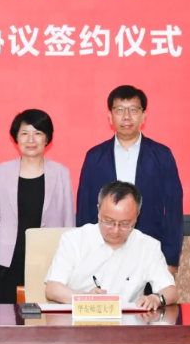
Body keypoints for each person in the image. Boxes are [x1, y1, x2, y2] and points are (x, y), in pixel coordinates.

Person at [76, 85, 183, 275]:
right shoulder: (95, 157)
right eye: (119, 110)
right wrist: (85, 255)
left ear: (143, 116)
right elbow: (85, 210)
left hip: (150, 252)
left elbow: (174, 212)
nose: (126, 116)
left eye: (133, 110)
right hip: (103, 254)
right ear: (110, 116)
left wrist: (171, 259)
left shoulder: (162, 155)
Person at [0, 109, 75, 304]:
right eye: (24, 133)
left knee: (42, 316)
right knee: (6, 315)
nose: (31, 140)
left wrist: (69, 260)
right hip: (8, 259)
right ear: (16, 138)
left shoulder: (61, 173)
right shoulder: (1, 172)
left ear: (47, 138)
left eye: (37, 133)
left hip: (48, 260)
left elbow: (68, 220)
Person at [45, 181, 178, 311]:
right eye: (108, 221)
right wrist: (85, 298)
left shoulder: (148, 246)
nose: (115, 230)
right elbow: (52, 289)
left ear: (137, 215)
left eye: (125, 224)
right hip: (78, 322)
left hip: (127, 322)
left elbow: (171, 291)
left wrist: (157, 298)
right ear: (98, 210)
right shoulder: (74, 240)